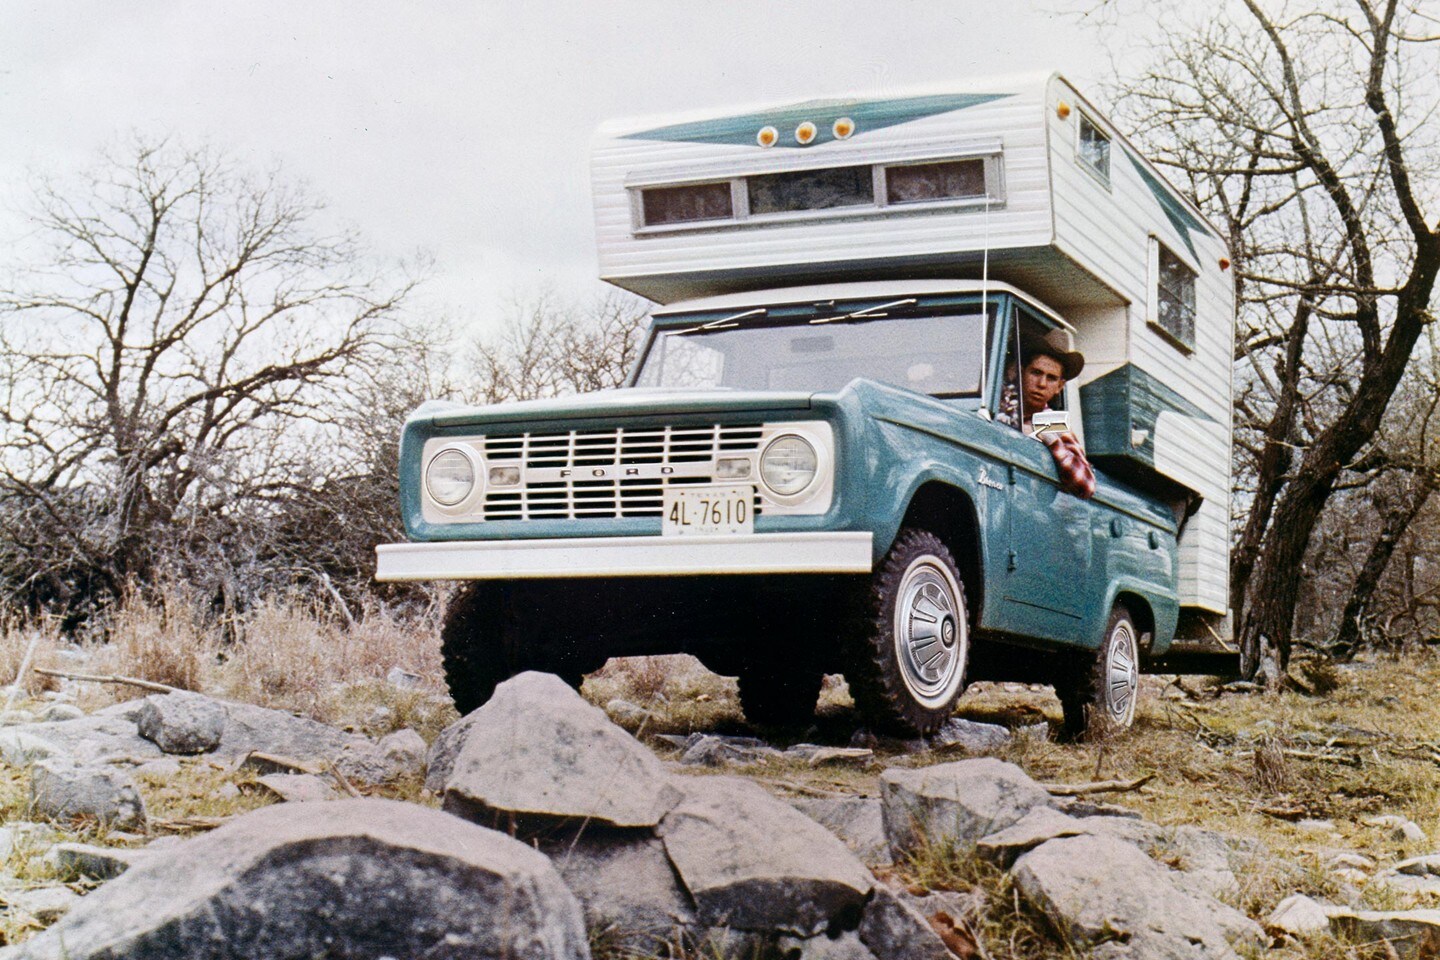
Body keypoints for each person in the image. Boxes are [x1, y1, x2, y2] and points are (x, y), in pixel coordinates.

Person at [995, 328, 1095, 499]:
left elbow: (1087, 484)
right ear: (1020, 372)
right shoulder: (996, 403)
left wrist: (1051, 441)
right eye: (1036, 373)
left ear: (1060, 387)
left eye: (1051, 378)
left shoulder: (1051, 422)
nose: (1041, 384)